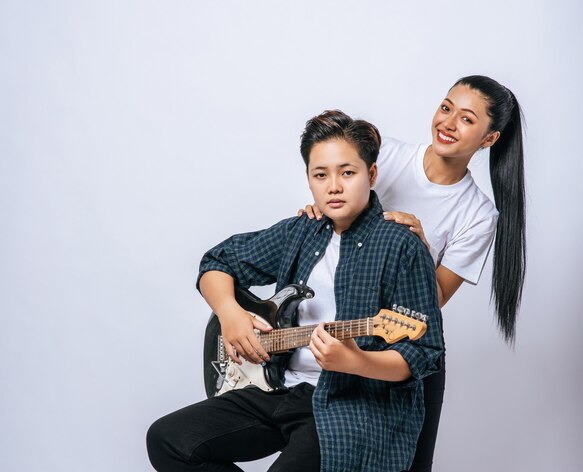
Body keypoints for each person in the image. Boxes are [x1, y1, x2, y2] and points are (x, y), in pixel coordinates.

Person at [146, 110, 444, 472]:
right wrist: (231, 314)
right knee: (167, 440)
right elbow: (217, 261)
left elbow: (423, 353)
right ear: (309, 179)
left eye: (347, 172)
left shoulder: (401, 245)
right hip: (279, 389)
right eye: (321, 175)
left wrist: (355, 362)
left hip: (353, 404)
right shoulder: (301, 231)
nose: (333, 186)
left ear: (372, 174)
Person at [300, 75, 526, 472]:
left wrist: (419, 248)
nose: (449, 122)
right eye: (445, 107)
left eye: (467, 119)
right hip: (350, 337)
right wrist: (314, 214)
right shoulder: (385, 156)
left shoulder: (478, 214)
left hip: (407, 348)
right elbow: (332, 198)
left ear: (489, 139)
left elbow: (433, 300)